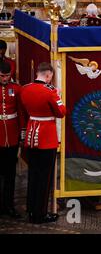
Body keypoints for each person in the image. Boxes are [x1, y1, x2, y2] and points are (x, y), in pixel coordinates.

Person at [21, 62, 66, 224]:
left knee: (33, 174)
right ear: (48, 75)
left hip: (32, 133)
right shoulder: (50, 91)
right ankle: (40, 214)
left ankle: (31, 209)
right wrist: (58, 95)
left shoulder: (25, 88)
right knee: (44, 178)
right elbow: (61, 113)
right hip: (46, 137)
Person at [0, 61, 25, 219]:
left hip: (12, 135)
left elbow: (21, 112)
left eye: (7, 76)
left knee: (10, 173)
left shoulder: (16, 88)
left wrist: (22, 134)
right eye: (2, 76)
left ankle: (9, 205)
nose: (5, 78)